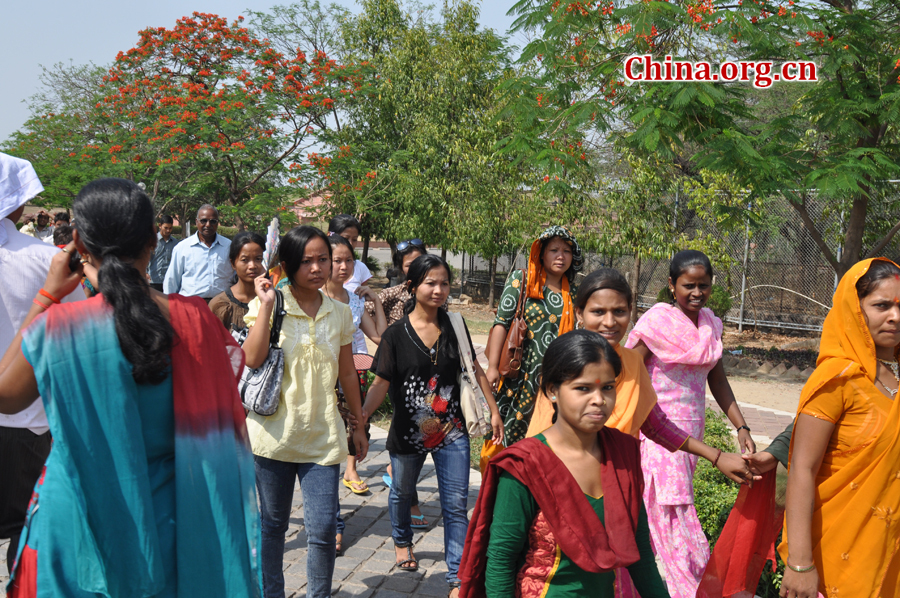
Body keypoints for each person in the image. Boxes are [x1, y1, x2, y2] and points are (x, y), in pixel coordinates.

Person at [0, 178, 261, 597]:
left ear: (79, 244)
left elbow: (4, 394)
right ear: (153, 241)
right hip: (175, 520)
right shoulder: (197, 320)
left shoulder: (60, 329)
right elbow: (231, 374)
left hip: (80, 525)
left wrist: (46, 296)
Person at [525, 268, 758, 594]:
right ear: (580, 313)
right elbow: (541, 432)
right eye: (598, 312)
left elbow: (656, 424)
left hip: (618, 487)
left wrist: (716, 456)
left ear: (631, 314)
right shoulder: (567, 358)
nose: (609, 321)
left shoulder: (632, 364)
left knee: (626, 574)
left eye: (619, 312)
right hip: (567, 491)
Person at [459, 330, 669, 598]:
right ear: (552, 390)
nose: (599, 400)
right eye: (583, 388)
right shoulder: (526, 465)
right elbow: (500, 561)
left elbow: (640, 553)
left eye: (607, 387)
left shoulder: (623, 454)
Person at [362, 254, 503, 597]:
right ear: (413, 286)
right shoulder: (395, 335)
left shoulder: (455, 325)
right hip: (407, 434)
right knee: (402, 493)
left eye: (444, 283)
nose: (439, 290)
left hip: (451, 432)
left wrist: (494, 410)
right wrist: (362, 415)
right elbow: (380, 383)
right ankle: (402, 540)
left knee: (454, 503)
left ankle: (457, 574)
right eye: (431, 283)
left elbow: (476, 370)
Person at [242, 225, 369, 598]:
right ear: (288, 264)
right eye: (306, 261)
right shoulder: (269, 303)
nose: (316, 268)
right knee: (274, 525)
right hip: (272, 437)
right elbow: (250, 358)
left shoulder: (340, 312)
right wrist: (265, 305)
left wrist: (358, 425)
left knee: (323, 530)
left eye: (323, 260)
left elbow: (347, 372)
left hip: (323, 439)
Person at [623, 249, 756, 598]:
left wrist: (741, 427)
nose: (697, 293)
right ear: (671, 285)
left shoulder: (710, 324)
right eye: (688, 286)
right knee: (675, 516)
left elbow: (718, 379)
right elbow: (630, 375)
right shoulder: (656, 323)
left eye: (704, 286)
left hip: (691, 439)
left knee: (659, 523)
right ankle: (699, 589)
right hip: (658, 436)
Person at [777, 258, 900, 598]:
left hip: (887, 554)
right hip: (836, 557)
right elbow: (802, 469)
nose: (895, 316)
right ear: (854, 310)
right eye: (882, 306)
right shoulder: (837, 379)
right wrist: (800, 564)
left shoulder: (893, 379)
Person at [0, 154, 86, 575]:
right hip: (29, 419)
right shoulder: (44, 261)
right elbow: (78, 328)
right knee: (24, 524)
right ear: (16, 206)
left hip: (23, 417)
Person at [484, 225, 583, 451]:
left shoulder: (575, 293)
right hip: (519, 377)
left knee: (546, 442)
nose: (561, 256)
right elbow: (501, 323)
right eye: (554, 250)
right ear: (541, 253)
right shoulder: (523, 280)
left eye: (567, 251)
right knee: (509, 438)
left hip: (555, 381)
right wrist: (491, 367)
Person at [324, 234, 387, 553]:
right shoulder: (311, 297)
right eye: (337, 260)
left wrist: (375, 302)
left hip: (351, 379)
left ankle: (331, 519)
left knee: (342, 450)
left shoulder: (355, 299)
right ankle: (332, 522)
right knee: (326, 456)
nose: (344, 266)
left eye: (349, 260)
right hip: (320, 385)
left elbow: (381, 336)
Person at [164, 205, 232, 301]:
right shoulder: (182, 248)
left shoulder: (229, 246)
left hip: (222, 305)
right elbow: (171, 281)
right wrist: (169, 307)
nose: (208, 225)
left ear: (217, 223)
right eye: (203, 221)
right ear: (196, 222)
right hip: (191, 305)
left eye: (213, 221)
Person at [209, 231, 266, 331]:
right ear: (233, 263)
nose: (252, 266)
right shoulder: (220, 305)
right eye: (244, 260)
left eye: (258, 259)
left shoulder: (273, 301)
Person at [328, 214, 370, 293]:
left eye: (354, 239)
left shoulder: (360, 268)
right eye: (345, 238)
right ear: (329, 235)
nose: (350, 243)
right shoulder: (321, 267)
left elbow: (364, 298)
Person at [148, 215, 177, 292]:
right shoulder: (151, 241)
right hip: (153, 281)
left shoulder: (175, 243)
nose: (168, 230)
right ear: (160, 226)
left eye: (170, 228)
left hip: (169, 282)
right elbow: (145, 258)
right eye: (166, 228)